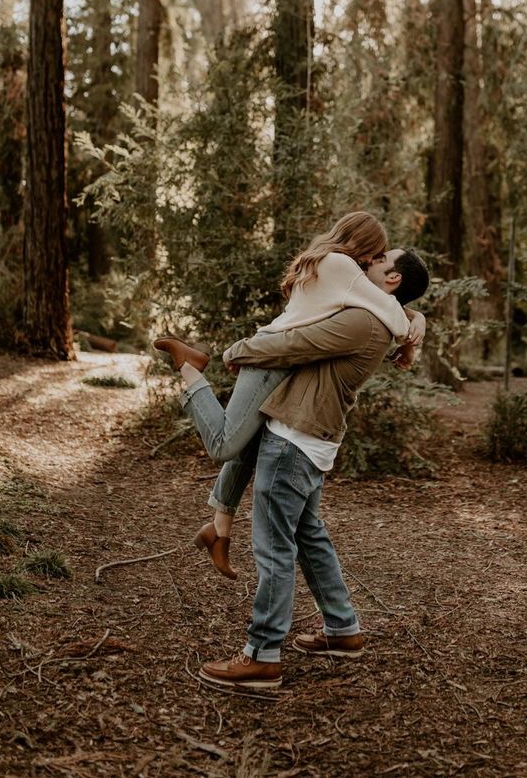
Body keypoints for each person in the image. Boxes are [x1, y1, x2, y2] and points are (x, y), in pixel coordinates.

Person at [196, 246, 430, 691]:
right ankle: (343, 629)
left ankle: (262, 656)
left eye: (382, 259)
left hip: (293, 439)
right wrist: (416, 321)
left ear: (393, 278)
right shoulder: (376, 313)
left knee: (273, 547)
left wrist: (242, 349)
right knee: (308, 535)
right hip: (312, 437)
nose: (371, 260)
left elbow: (297, 342)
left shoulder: (363, 320)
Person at [154, 213, 425, 575]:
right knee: (224, 445)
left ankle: (219, 531)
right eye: (376, 252)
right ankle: (189, 366)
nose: (374, 261)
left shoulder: (330, 261)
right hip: (273, 356)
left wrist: (416, 314)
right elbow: (388, 311)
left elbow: (381, 302)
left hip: (279, 354)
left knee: (248, 446)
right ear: (362, 244)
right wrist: (412, 330)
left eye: (380, 257)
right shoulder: (342, 265)